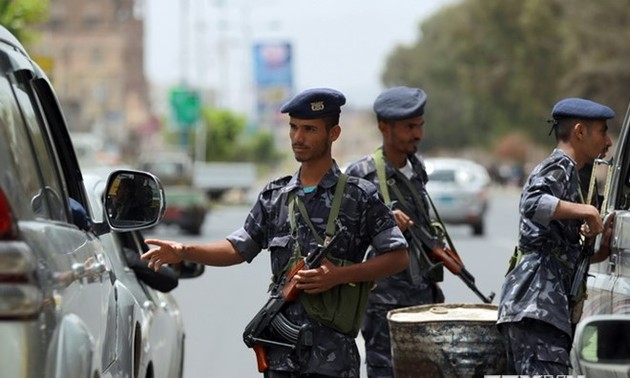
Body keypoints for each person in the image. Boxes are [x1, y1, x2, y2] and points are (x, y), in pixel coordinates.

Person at [141, 88, 409, 377]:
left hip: (334, 360)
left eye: (309, 129)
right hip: (281, 356)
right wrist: (184, 251)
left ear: (334, 133)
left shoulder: (360, 196)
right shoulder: (275, 196)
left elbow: (398, 256)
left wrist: (340, 276)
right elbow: (238, 247)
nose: (298, 137)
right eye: (293, 128)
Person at [497, 97, 615, 375]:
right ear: (579, 132)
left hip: (542, 310)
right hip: (536, 308)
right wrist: (586, 210)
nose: (608, 142)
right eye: (602, 131)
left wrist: (601, 251)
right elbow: (532, 202)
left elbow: (560, 249)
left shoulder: (570, 173)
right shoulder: (558, 166)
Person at [344, 86, 445, 378]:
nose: (418, 134)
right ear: (383, 127)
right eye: (409, 127)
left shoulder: (417, 168)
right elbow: (344, 239)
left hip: (422, 295)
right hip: (384, 303)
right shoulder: (361, 175)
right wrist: (382, 221)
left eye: (420, 126)